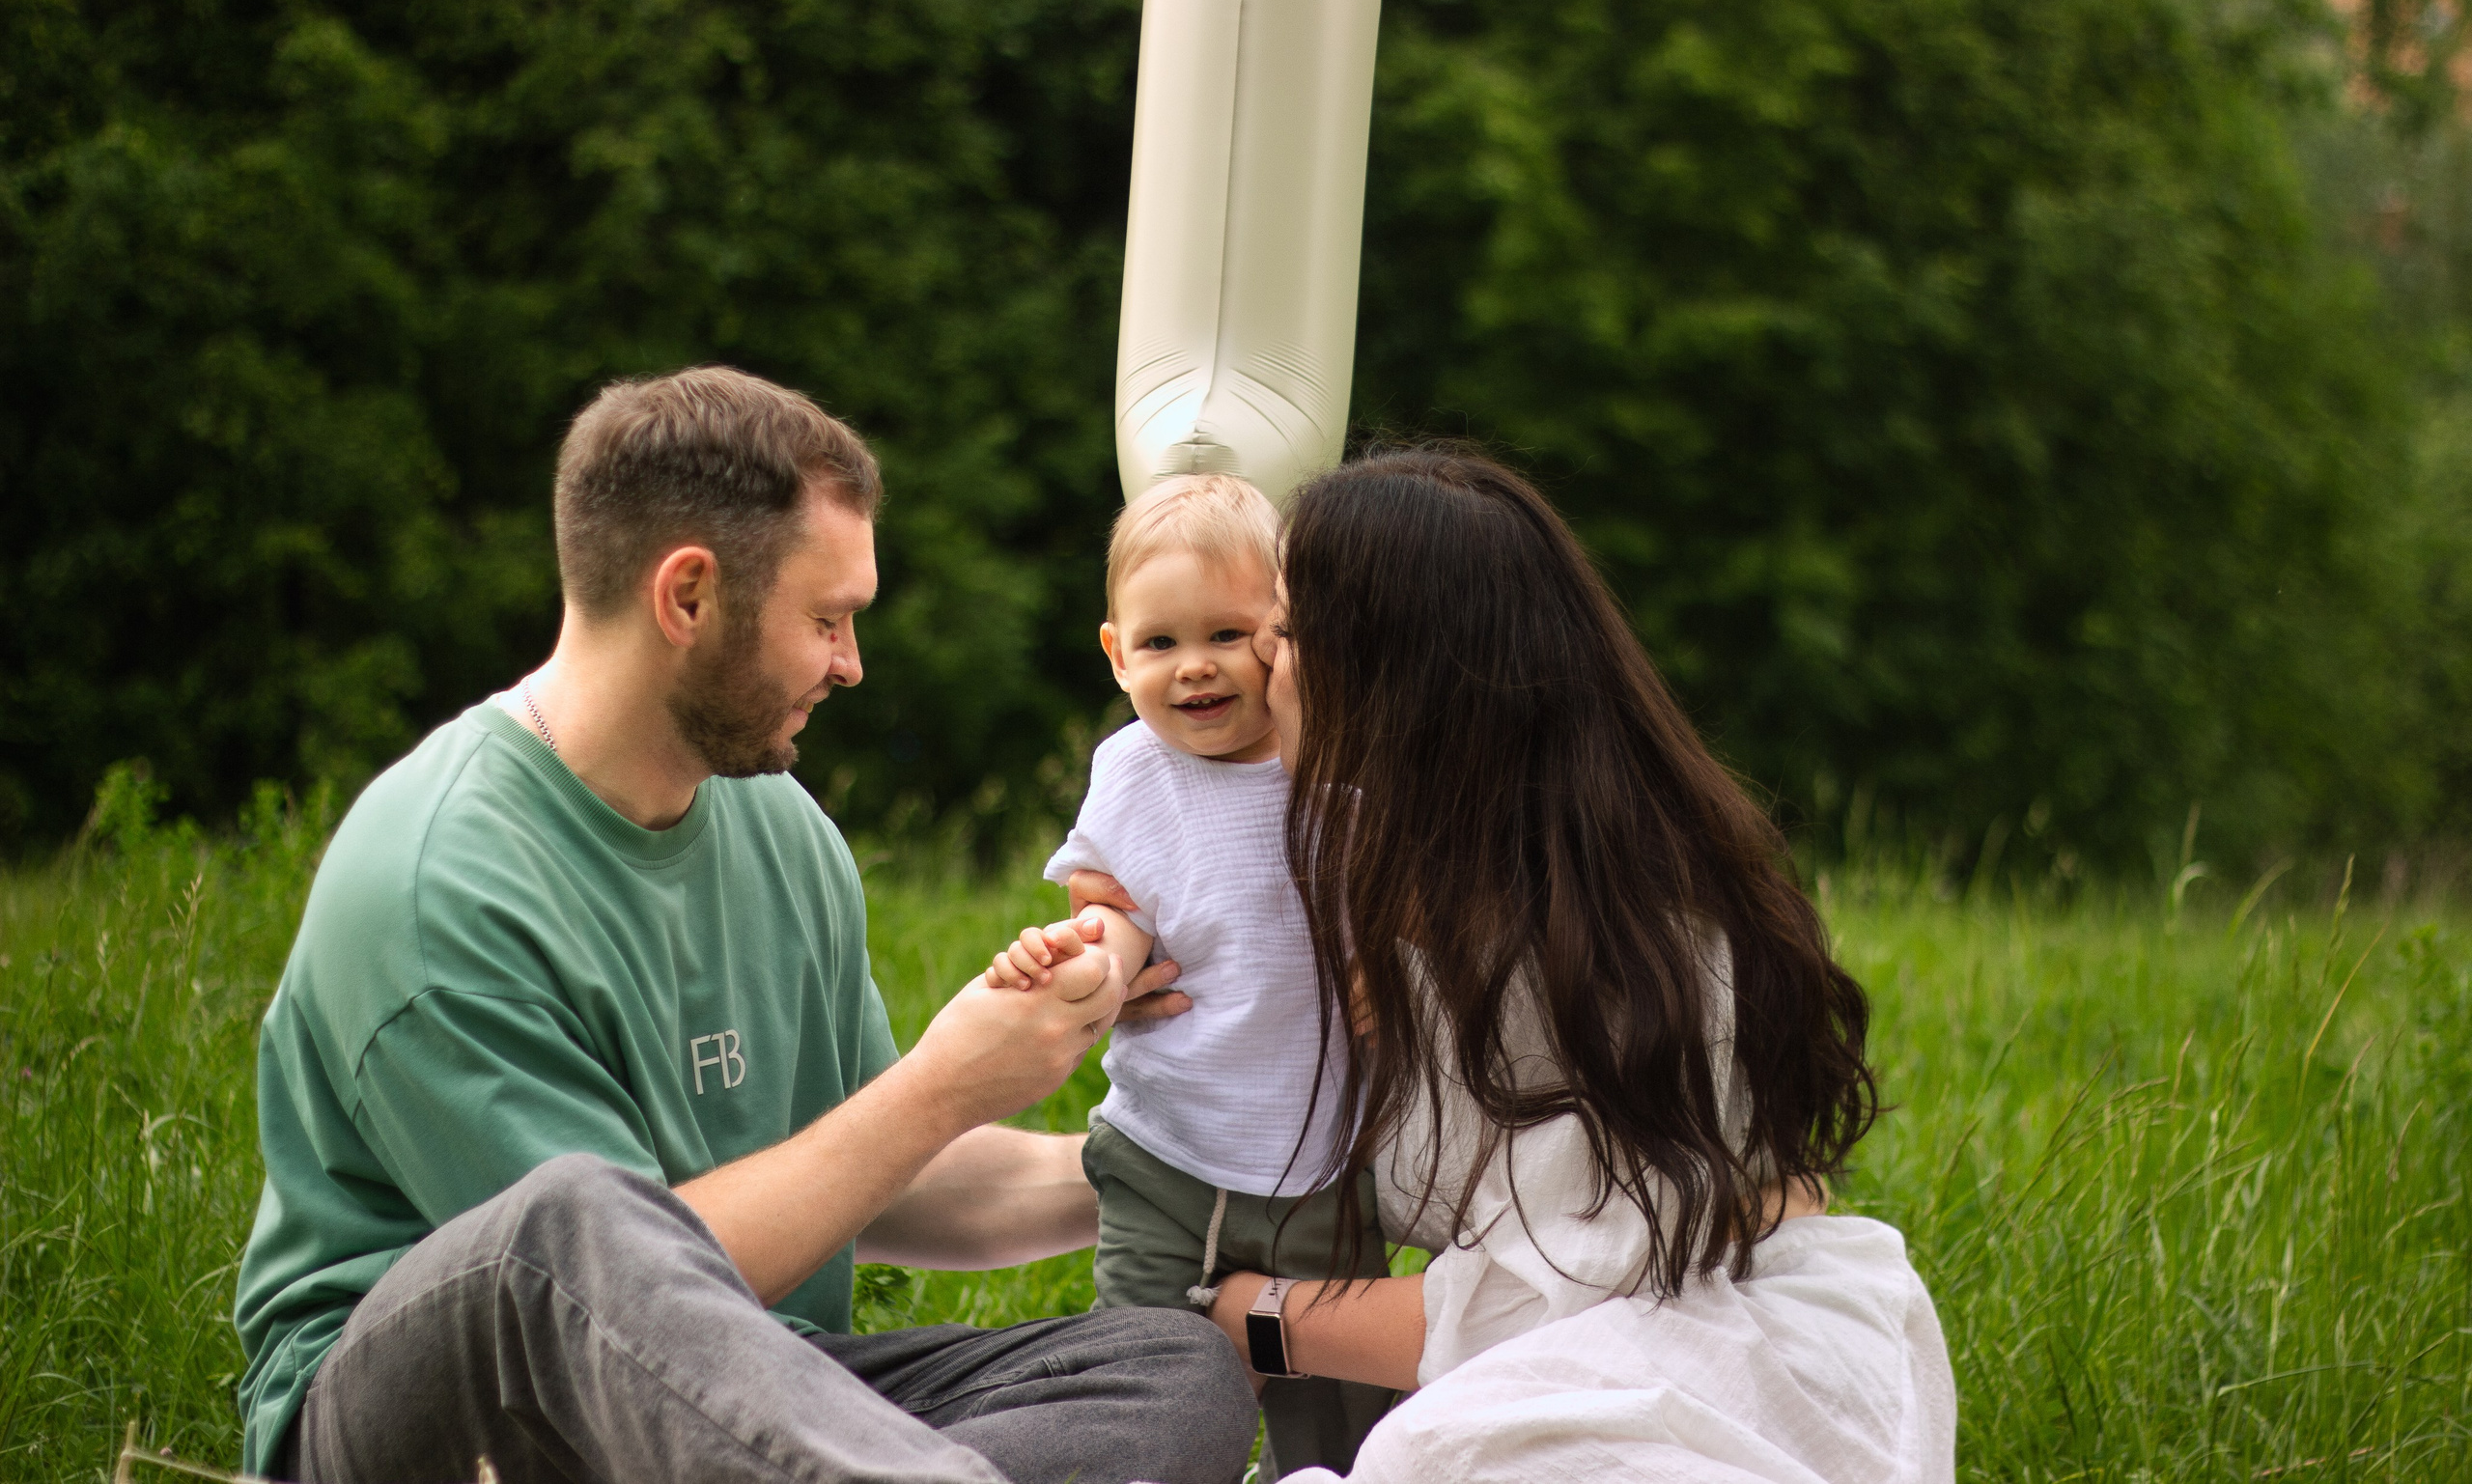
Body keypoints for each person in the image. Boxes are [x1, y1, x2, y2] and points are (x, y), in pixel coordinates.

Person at [231, 367, 1257, 1484]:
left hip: (762, 1400)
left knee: (1168, 1368)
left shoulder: (780, 827)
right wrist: (941, 1085)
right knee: (571, 1220)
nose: (851, 665)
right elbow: (602, 1302)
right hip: (449, 1427)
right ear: (687, 598)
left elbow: (875, 1177)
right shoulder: (437, 888)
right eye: (826, 620)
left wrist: (1198, 1185)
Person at [1166, 449, 1955, 1482]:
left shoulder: (1606, 950)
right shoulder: (1415, 887)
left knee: (1421, 1455)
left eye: (1288, 634)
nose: (1264, 666)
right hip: (1611, 1352)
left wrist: (1252, 1318)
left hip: (1710, 1367)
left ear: (1390, 684)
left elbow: (1546, 1301)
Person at [987, 475, 1391, 1478]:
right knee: (1140, 1383)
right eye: (1160, 644)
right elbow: (1113, 900)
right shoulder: (1129, 769)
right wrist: (1094, 960)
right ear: (1116, 654)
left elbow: (1394, 923)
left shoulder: (1334, 773)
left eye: (1229, 634)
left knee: (1346, 1415)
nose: (1195, 669)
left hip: (1326, 1162)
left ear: (1288, 641)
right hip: (1163, 1153)